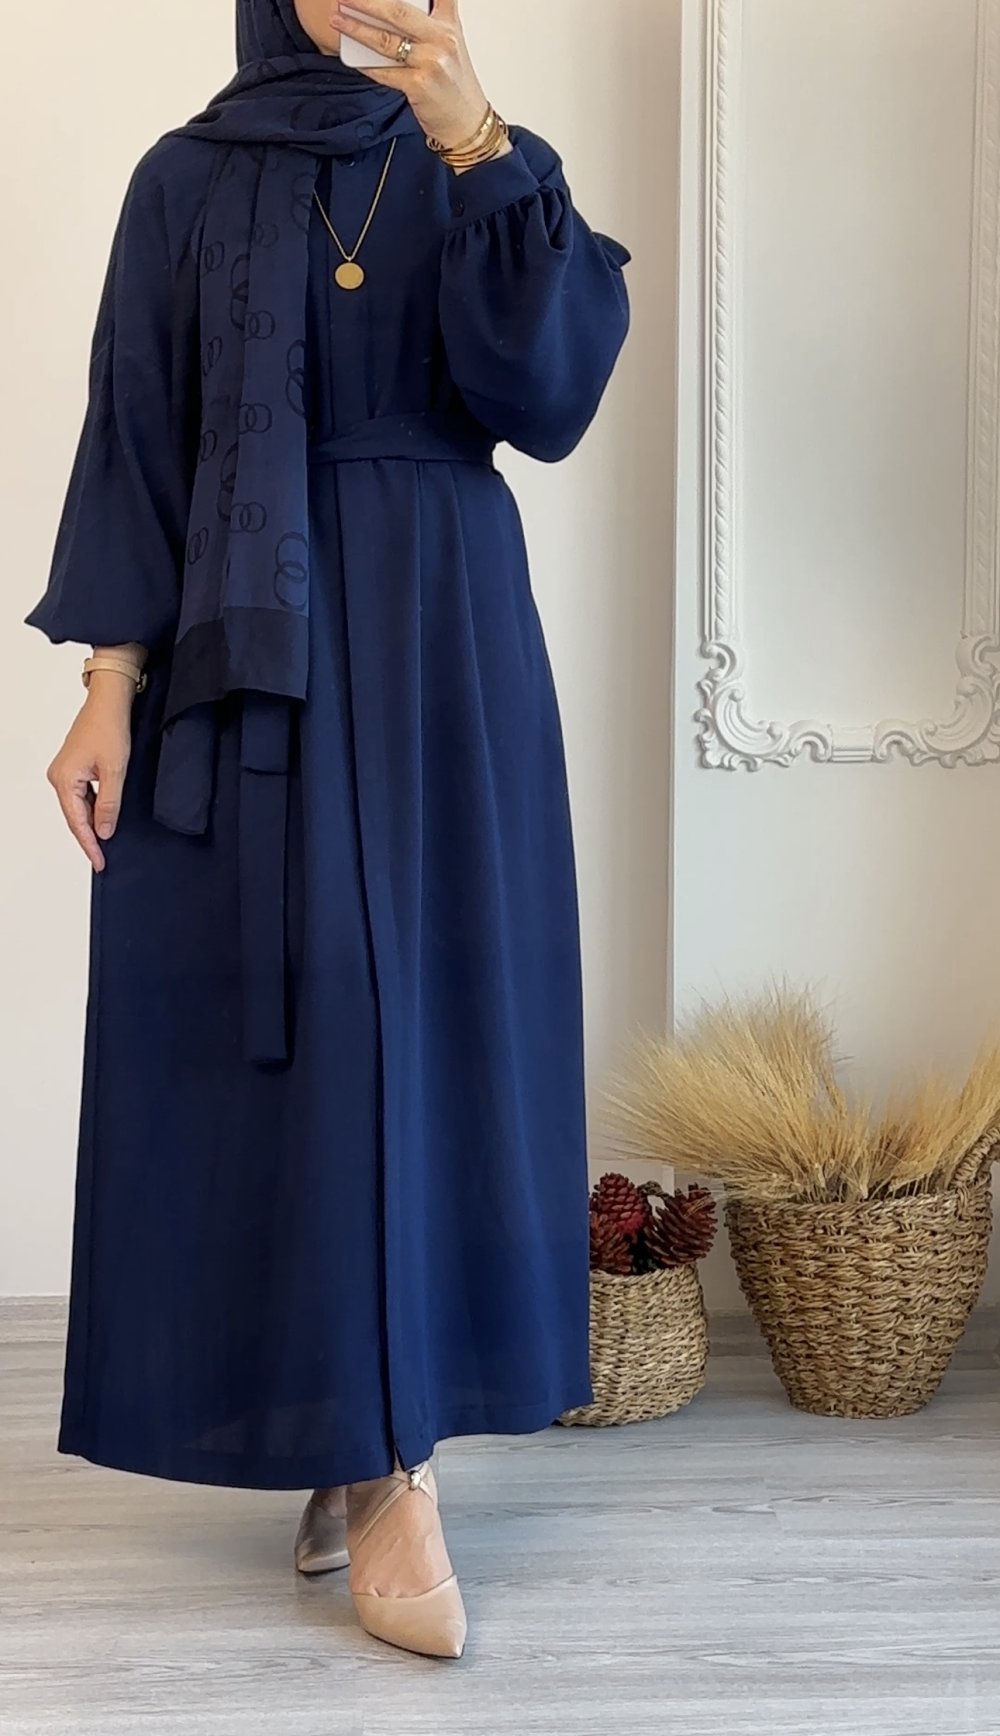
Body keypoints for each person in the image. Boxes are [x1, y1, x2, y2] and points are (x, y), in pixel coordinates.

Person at [27, 0, 630, 1661]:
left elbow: (550, 394)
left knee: (418, 1030)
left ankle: (393, 1457)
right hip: (247, 653)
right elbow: (140, 429)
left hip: (442, 648)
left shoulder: (486, 165)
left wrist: (475, 138)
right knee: (288, 1033)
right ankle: (345, 1428)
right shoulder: (185, 176)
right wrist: (106, 682)